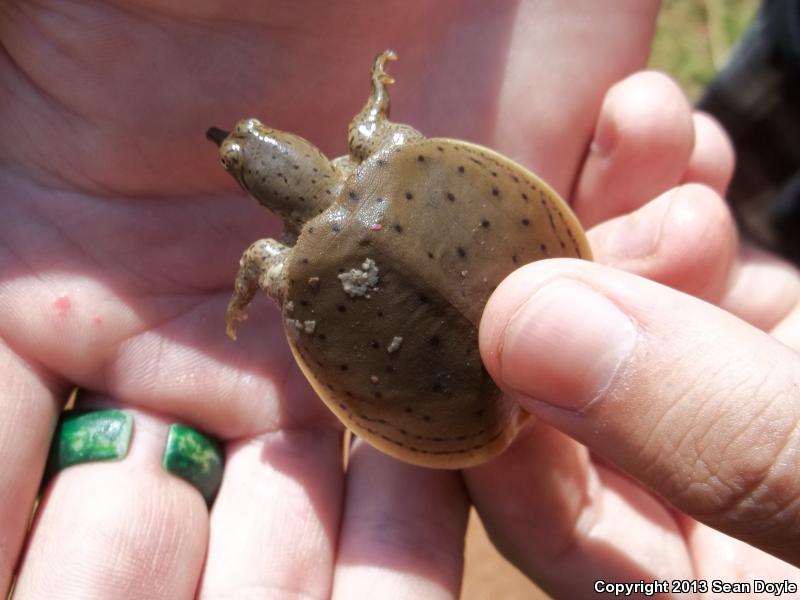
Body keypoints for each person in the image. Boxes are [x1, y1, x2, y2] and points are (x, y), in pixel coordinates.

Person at [2, 1, 799, 598]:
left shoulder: (280, 265)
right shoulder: (381, 147)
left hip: (448, 406)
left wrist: (241, 305)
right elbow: (373, 119)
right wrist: (377, 85)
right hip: (535, 266)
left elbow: (259, 269)